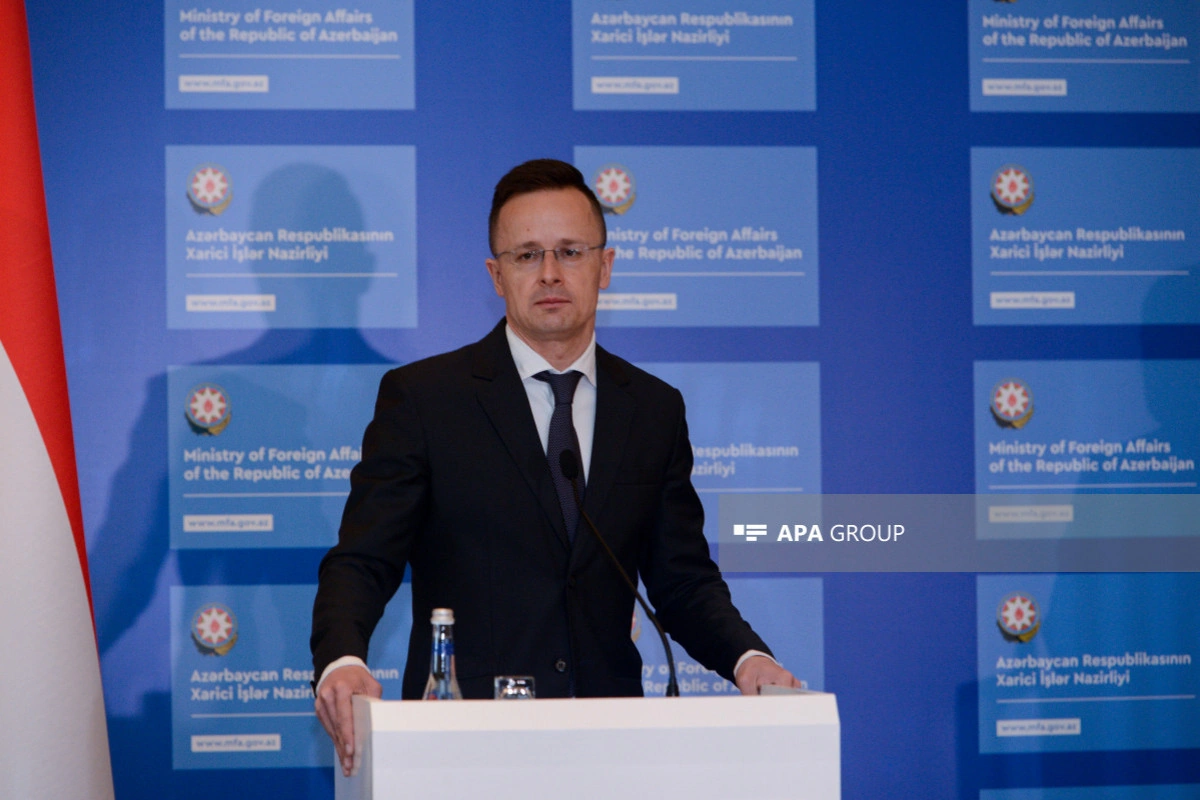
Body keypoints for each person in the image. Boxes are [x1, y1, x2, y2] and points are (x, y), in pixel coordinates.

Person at [311, 158, 800, 775]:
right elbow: (363, 559)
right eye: (526, 256)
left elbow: (682, 580)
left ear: (606, 266)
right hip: (466, 745)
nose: (549, 273)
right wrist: (342, 659)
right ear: (496, 275)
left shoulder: (652, 409)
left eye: (570, 252)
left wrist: (748, 659)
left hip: (611, 745)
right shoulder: (426, 400)